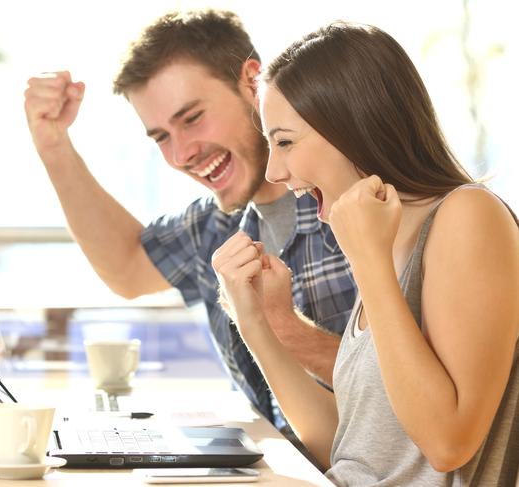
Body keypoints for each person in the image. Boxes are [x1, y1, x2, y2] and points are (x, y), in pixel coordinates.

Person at [23, 9, 356, 438]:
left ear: (252, 83)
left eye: (192, 118)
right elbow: (126, 266)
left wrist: (282, 330)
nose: (181, 154)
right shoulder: (216, 226)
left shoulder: (356, 201)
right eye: (161, 136)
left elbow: (422, 390)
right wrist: (53, 145)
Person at [212, 22, 519, 485]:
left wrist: (370, 264)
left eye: (286, 141)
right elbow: (352, 449)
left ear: (355, 127)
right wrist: (256, 324)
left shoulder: (468, 216)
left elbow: (448, 442)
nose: (274, 170)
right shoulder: (387, 240)